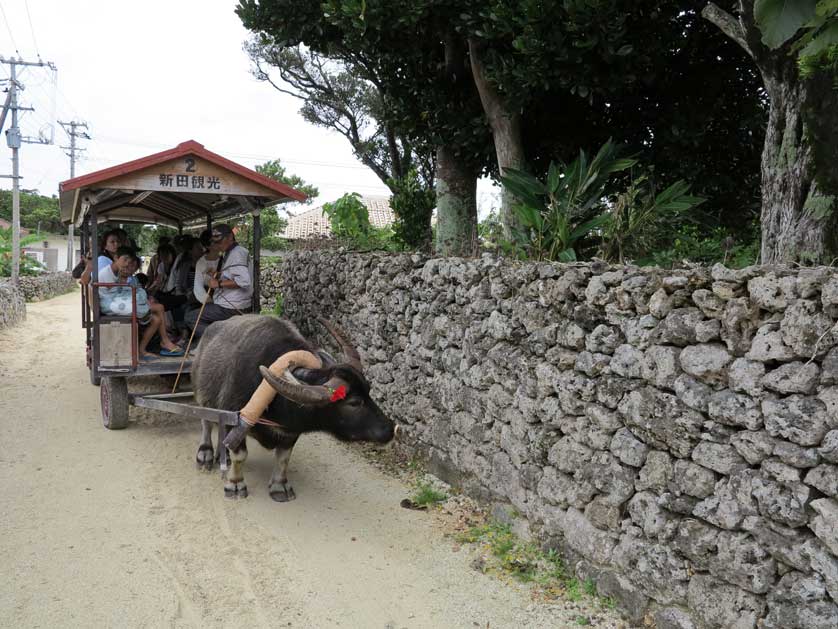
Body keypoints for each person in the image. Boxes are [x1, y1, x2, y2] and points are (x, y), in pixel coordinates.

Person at [99, 247, 183, 358]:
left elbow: (121, 291)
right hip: (110, 305)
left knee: (157, 319)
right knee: (159, 307)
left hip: (116, 301)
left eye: (129, 263)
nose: (126, 265)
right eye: (124, 261)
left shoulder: (118, 272)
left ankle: (141, 350)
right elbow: (112, 295)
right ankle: (165, 341)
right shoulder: (107, 272)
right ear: (115, 258)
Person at [185, 223, 251, 340]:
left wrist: (219, 283)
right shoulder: (233, 252)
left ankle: (221, 341)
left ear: (230, 237)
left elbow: (244, 281)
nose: (218, 245)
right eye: (215, 242)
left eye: (220, 241)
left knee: (191, 318)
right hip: (231, 303)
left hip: (231, 306)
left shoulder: (237, 253)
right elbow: (233, 273)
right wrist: (218, 275)